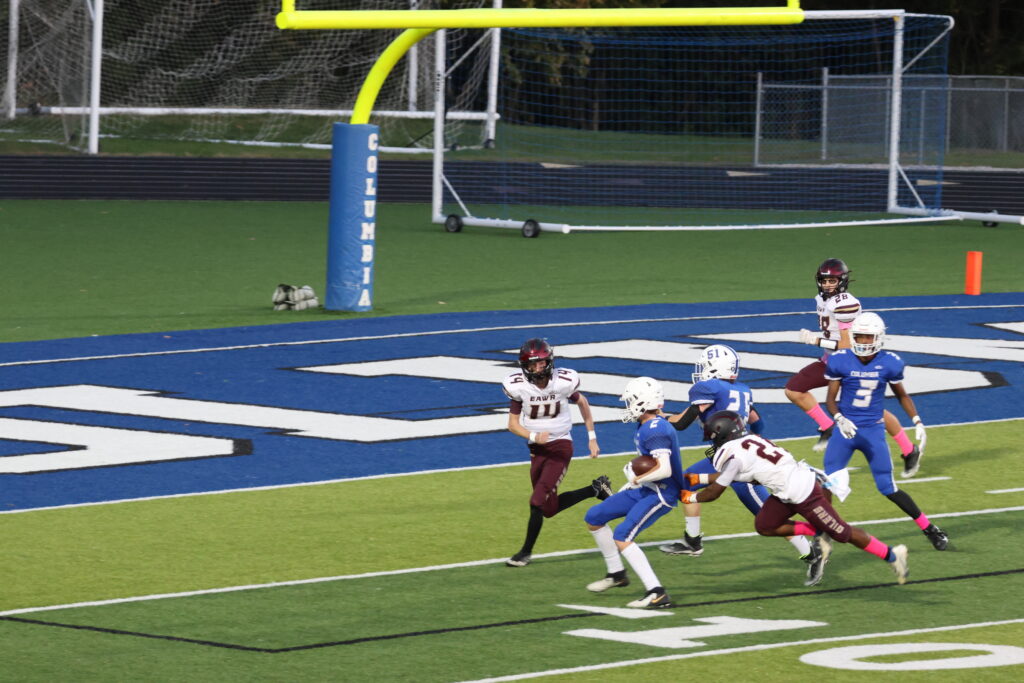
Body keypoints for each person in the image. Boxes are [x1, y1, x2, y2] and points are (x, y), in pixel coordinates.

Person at [684, 410, 910, 586]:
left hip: (805, 493)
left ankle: (892, 555)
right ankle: (818, 532)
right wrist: (699, 478)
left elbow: (715, 492)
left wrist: (691, 498)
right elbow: (741, 475)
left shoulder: (734, 455)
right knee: (765, 525)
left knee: (843, 533)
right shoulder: (750, 442)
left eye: (714, 438)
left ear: (724, 434)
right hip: (788, 489)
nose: (713, 443)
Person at [658, 345, 821, 582]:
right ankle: (692, 541)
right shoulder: (742, 390)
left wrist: (657, 417)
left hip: (737, 461)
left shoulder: (708, 388)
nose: (701, 371)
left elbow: (681, 423)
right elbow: (757, 422)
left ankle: (813, 550)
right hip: (730, 456)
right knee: (686, 483)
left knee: (767, 518)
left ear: (715, 368)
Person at [786, 258, 924, 474]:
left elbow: (847, 345)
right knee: (794, 389)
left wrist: (816, 340)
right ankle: (828, 426)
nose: (827, 285)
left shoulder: (844, 304)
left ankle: (908, 449)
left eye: (832, 281)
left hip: (853, 363)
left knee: (871, 411)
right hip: (832, 361)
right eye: (824, 280)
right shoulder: (823, 299)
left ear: (842, 281)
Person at [824, 312, 948, 550]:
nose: (863, 342)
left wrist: (917, 421)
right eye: (859, 337)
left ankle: (930, 528)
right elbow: (830, 399)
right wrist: (839, 418)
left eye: (868, 337)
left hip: (873, 432)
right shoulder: (840, 360)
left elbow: (902, 395)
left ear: (879, 337)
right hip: (845, 432)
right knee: (828, 484)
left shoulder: (890, 362)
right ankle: (822, 535)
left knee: (887, 487)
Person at [502, 338, 611, 568]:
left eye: (541, 363)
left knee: (536, 502)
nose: (537, 368)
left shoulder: (562, 382)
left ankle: (524, 553)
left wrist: (592, 437)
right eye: (532, 364)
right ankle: (596, 488)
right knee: (548, 509)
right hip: (536, 449)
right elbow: (512, 425)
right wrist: (533, 437)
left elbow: (583, 403)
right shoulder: (518, 386)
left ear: (549, 361)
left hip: (560, 447)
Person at [583, 377, 684, 608]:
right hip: (647, 488)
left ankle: (657, 593)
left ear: (642, 401)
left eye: (631, 401)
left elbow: (665, 469)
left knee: (623, 535)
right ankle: (616, 574)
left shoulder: (655, 429)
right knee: (594, 517)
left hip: (662, 493)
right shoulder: (648, 424)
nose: (628, 406)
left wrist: (635, 478)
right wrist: (636, 483)